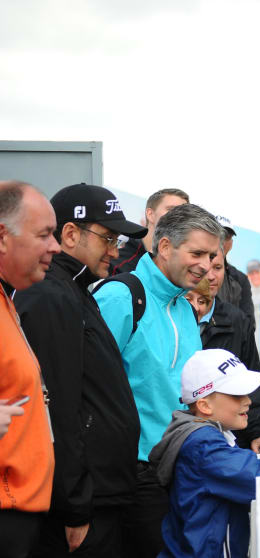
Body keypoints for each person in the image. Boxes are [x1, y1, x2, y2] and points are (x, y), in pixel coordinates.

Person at [14, 184, 146, 558]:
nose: (115, 250)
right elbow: (57, 409)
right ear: (70, 234)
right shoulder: (51, 296)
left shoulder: (75, 291)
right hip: (84, 504)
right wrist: (75, 505)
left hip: (99, 495)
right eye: (107, 237)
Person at [93, 203, 223, 557]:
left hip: (178, 468)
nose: (206, 265)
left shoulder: (184, 306)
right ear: (164, 247)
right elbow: (85, 385)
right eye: (196, 252)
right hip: (130, 473)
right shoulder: (119, 296)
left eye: (212, 255)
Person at [150, 349, 260, 558]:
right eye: (236, 394)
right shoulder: (203, 445)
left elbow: (244, 463)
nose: (248, 401)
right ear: (204, 405)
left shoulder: (207, 437)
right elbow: (253, 477)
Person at [0, 181, 59, 558]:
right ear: (3, 237)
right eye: (44, 235)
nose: (55, 247)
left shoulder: (8, 298)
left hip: (23, 514)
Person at [188, 248, 260, 453]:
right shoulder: (169, 322)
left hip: (232, 437)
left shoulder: (237, 320)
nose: (196, 308)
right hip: (185, 432)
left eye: (218, 267)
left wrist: (257, 431)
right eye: (189, 299)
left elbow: (252, 383)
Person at [110, 188, 188, 275]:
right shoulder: (121, 260)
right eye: (171, 210)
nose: (179, 217)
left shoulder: (185, 261)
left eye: (184, 213)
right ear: (150, 214)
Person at [213, 215, 254, 324]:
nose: (221, 241)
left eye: (226, 236)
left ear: (231, 243)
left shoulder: (241, 279)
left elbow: (249, 323)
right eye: (217, 234)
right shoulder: (197, 271)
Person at [245, 259, 260, 358]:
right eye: (251, 273)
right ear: (247, 276)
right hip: (252, 347)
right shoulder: (245, 295)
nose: (255, 276)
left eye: (257, 272)